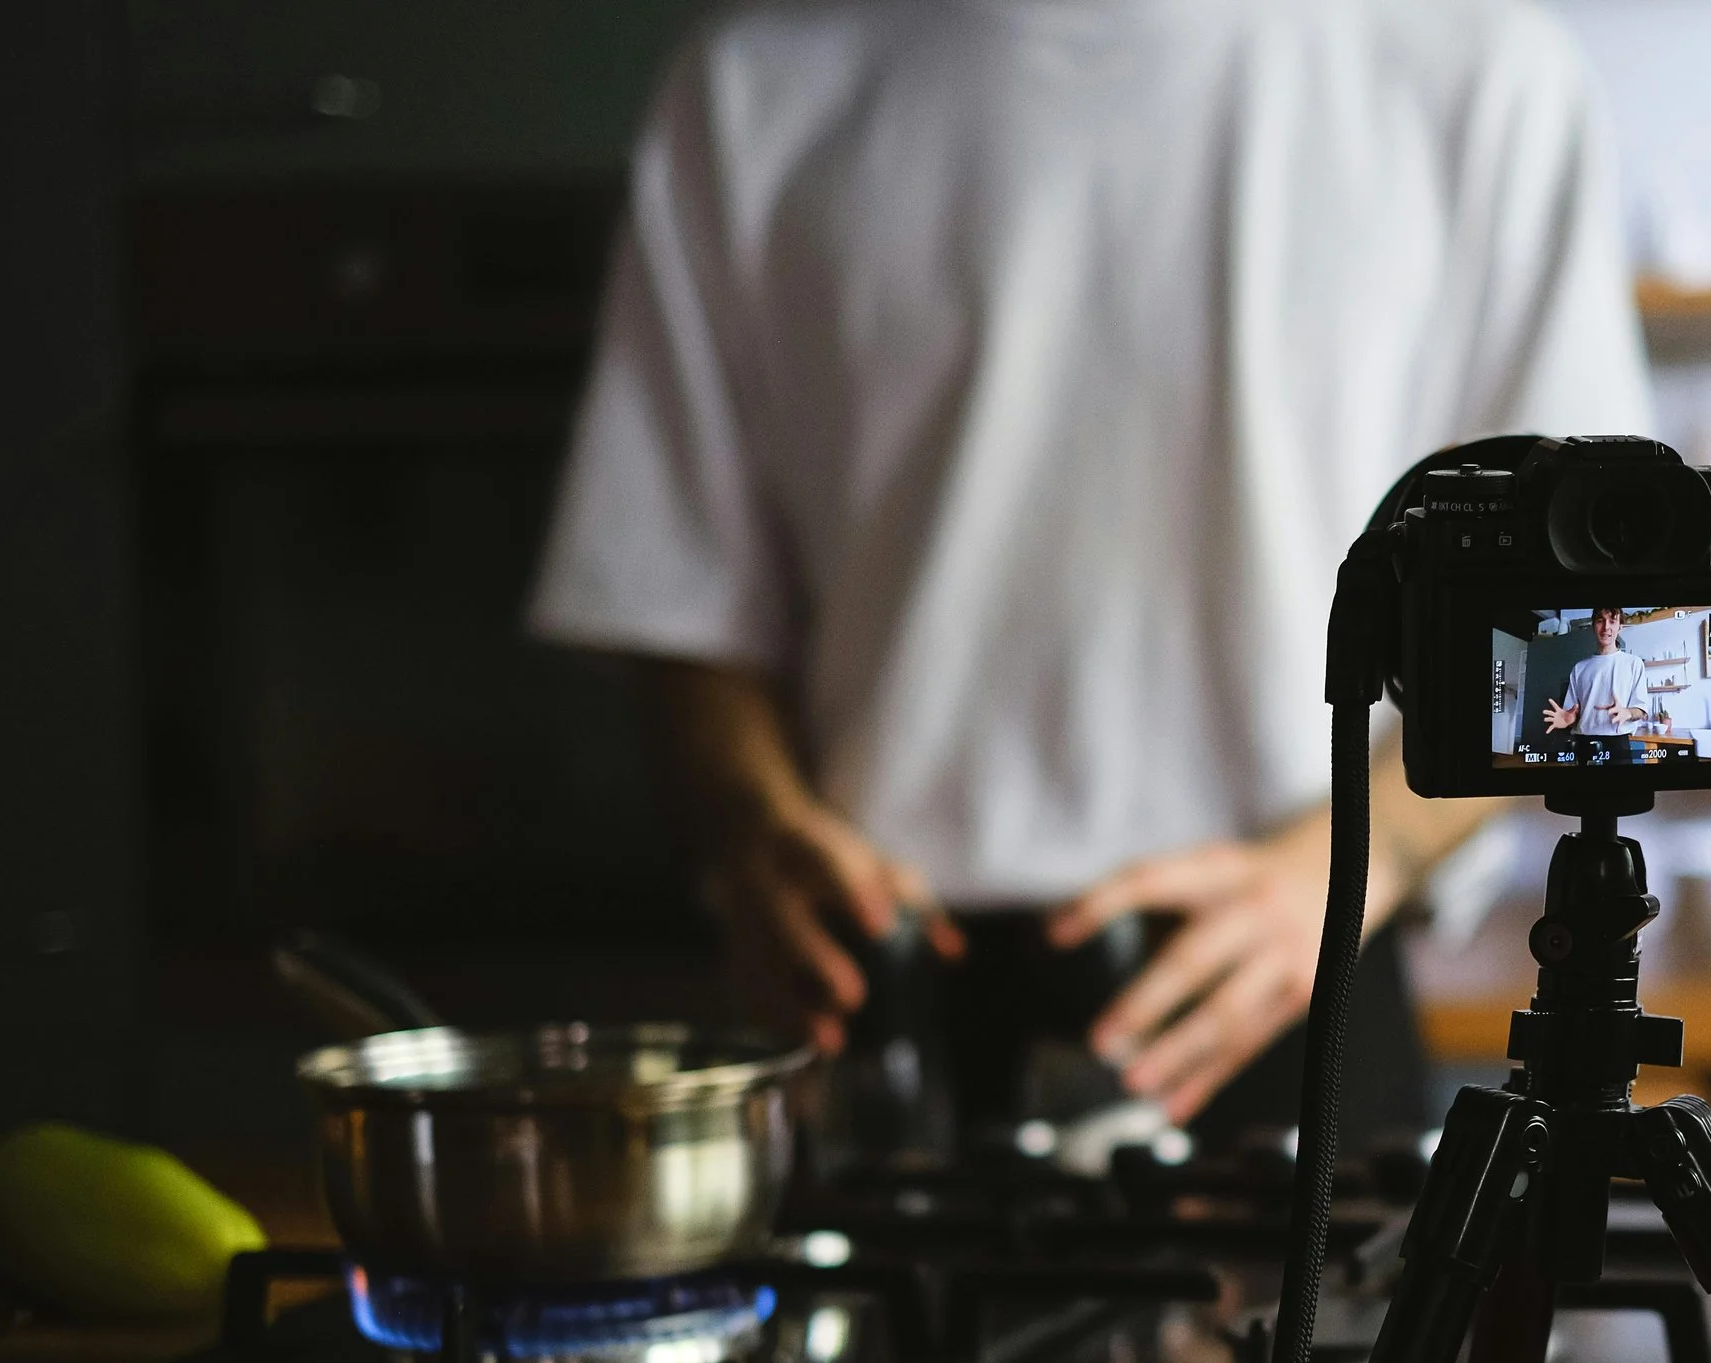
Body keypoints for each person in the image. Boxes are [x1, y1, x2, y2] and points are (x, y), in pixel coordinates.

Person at [530, 0, 1650, 1140]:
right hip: (877, 1008)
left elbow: (1585, 614)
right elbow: (676, 596)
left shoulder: (1483, 70)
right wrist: (754, 830)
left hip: (1304, 983)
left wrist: (1340, 866)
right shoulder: (750, 87)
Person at [1542, 608, 1646, 763]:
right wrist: (1569, 719)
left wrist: (1628, 713)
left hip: (1617, 744)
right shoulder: (1579, 668)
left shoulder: (1634, 663)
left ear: (1620, 626)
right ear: (1593, 626)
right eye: (1600, 621)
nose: (1606, 627)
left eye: (1612, 621)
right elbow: (1573, 712)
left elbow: (1641, 711)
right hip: (1583, 744)